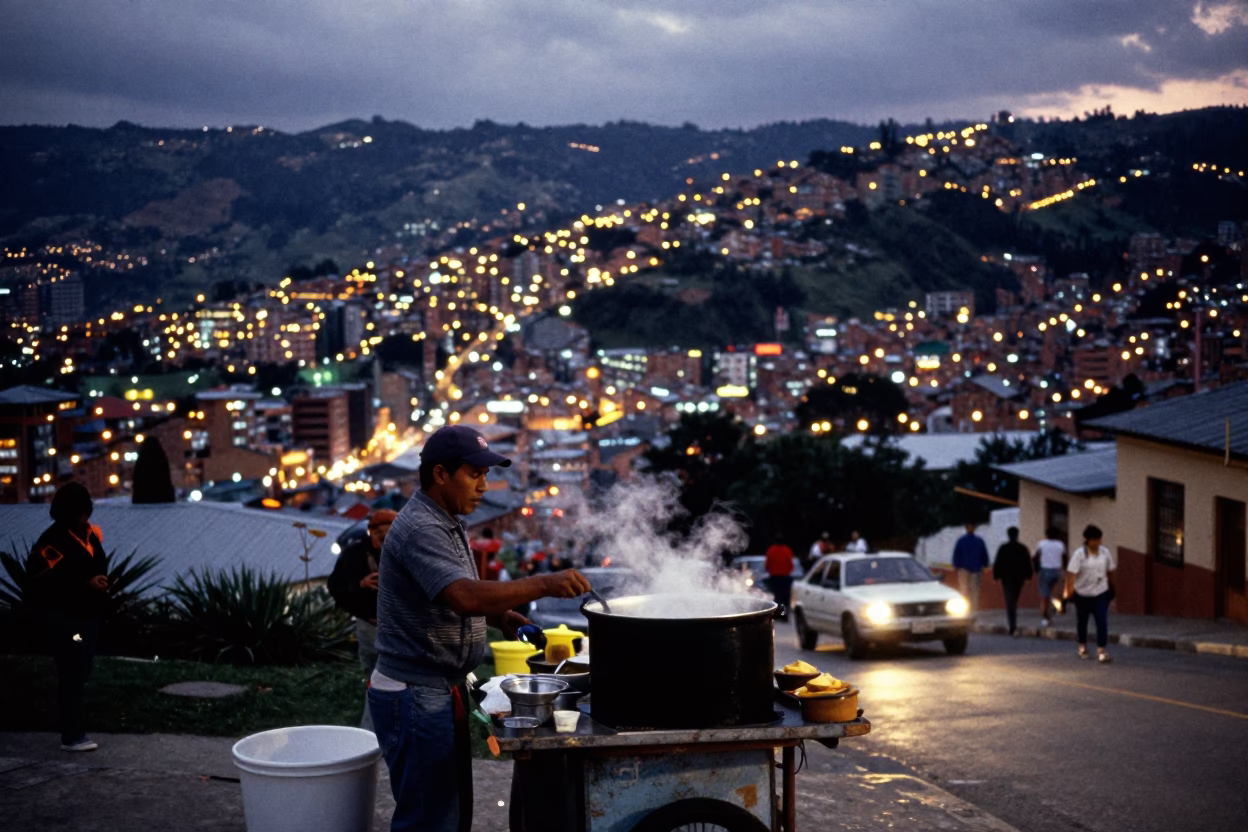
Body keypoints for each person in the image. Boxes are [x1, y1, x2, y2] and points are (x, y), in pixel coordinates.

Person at [369, 424, 593, 831]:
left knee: (448, 814)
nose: (484, 486)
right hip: (415, 692)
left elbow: (445, 594)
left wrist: (501, 616)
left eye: (486, 475)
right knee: (428, 820)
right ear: (440, 474)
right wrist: (545, 583)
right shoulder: (422, 528)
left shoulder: (446, 521)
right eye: (475, 474)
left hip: (437, 688)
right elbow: (463, 597)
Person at [26, 482, 108, 752]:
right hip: (67, 619)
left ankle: (74, 730)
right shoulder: (51, 541)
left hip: (89, 615)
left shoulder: (90, 534)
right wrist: (85, 584)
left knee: (82, 667)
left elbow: (95, 564)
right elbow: (43, 580)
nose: (85, 517)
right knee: (73, 667)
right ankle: (72, 735)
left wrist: (100, 580)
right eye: (81, 512)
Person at [328, 508, 396, 730]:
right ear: (370, 532)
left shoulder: (406, 551)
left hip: (398, 628)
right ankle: (375, 729)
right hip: (369, 625)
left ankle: (375, 727)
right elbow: (336, 587)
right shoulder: (354, 553)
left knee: (388, 678)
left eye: (390, 532)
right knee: (376, 676)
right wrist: (360, 585)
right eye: (380, 533)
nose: (384, 537)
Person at [1065, 524, 1116, 663]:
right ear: (1087, 540)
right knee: (1082, 621)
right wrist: (1069, 592)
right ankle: (1082, 646)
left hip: (1100, 592)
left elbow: (1111, 570)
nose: (1097, 542)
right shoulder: (1079, 554)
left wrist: (1112, 587)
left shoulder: (1105, 553)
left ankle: (1101, 650)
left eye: (1099, 539)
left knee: (1101, 620)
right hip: (1082, 594)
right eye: (1094, 540)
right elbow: (1071, 574)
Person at [992, 527, 1033, 636]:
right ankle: (1012, 623)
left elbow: (998, 562)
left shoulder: (1003, 548)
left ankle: (1012, 624)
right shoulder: (1022, 548)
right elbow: (1027, 562)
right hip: (1019, 578)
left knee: (1010, 599)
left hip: (1007, 578)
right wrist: (1028, 576)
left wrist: (996, 576)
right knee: (1014, 598)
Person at [952, 523, 990, 616]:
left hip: (964, 569)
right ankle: (973, 611)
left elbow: (957, 554)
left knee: (964, 590)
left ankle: (965, 611)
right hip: (976, 569)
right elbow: (984, 554)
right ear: (974, 529)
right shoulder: (979, 541)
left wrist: (956, 566)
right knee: (975, 591)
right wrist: (985, 565)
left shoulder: (961, 540)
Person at [1033, 528, 1067, 626]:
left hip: (1045, 570)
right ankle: (1055, 608)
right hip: (1057, 570)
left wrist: (1036, 569)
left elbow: (1035, 557)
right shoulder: (1061, 545)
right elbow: (1065, 557)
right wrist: (1064, 570)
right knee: (1055, 593)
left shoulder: (1041, 544)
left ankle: (1045, 617)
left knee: (1044, 595)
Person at [764, 533, 796, 620]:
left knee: (776, 597)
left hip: (775, 578)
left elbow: (767, 565)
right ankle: (784, 614)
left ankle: (777, 614)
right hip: (785, 577)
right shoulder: (787, 550)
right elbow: (791, 565)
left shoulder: (771, 550)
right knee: (785, 597)